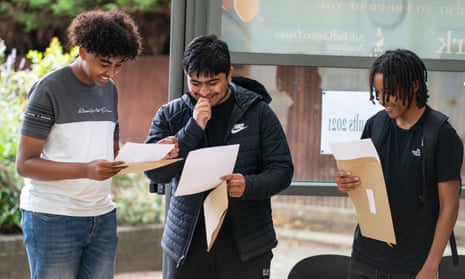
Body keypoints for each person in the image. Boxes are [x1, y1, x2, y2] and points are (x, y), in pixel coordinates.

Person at [145, 34, 294, 279]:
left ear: (229, 74)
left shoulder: (258, 112)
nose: (203, 91)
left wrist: (249, 185)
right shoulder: (170, 114)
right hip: (187, 242)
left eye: (212, 82)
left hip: (245, 242)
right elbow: (155, 173)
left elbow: (282, 170)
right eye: (195, 83)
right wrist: (192, 129)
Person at [15, 9, 143, 279]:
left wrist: (153, 151)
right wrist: (86, 170)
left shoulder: (109, 89)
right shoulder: (49, 89)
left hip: (101, 216)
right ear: (83, 51)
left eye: (119, 65)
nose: (111, 73)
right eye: (105, 63)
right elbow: (25, 165)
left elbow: (111, 148)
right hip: (52, 217)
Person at [336, 49, 463, 279]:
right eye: (378, 92)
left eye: (390, 92)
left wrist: (430, 267)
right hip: (364, 258)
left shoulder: (441, 135)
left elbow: (450, 206)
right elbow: (365, 188)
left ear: (415, 85)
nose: (383, 100)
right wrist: (347, 182)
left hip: (413, 265)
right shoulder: (374, 125)